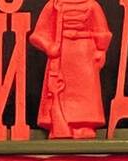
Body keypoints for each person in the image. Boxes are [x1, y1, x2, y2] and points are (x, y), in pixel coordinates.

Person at [29, 0, 112, 140]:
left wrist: (101, 49)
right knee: (59, 92)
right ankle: (60, 126)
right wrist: (49, 46)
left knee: (86, 90)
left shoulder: (92, 6)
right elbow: (37, 35)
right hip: (62, 55)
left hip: (85, 54)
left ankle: (84, 124)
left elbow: (102, 30)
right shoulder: (53, 6)